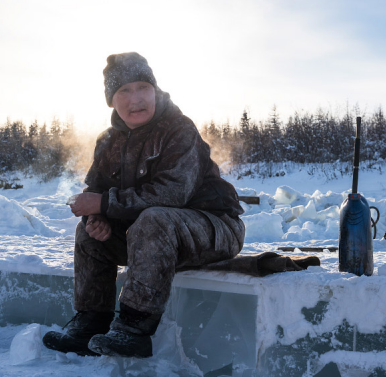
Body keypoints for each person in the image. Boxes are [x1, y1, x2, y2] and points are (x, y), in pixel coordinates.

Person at [43, 52, 245, 360]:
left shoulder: (179, 129)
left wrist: (104, 203)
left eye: (142, 87)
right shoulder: (107, 141)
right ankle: (89, 325)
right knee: (87, 236)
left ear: (155, 89)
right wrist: (96, 219)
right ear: (112, 100)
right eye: (124, 91)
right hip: (150, 240)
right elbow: (95, 190)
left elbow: (173, 194)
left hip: (213, 228)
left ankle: (133, 329)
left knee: (154, 219)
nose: (135, 98)